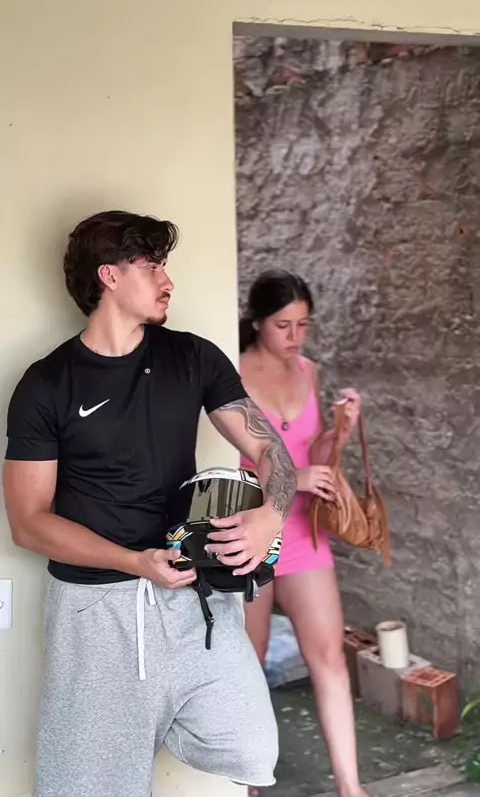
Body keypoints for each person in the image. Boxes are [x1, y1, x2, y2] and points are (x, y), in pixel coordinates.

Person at [2, 211, 297, 797]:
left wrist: (272, 515)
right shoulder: (46, 384)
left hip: (191, 595)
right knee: (88, 788)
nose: (167, 280)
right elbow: (28, 524)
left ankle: (141, 722)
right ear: (109, 275)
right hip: (96, 611)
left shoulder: (193, 357)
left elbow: (272, 452)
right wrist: (136, 562)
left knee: (251, 744)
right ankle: (123, 731)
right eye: (151, 266)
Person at [239, 270, 367, 797]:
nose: (295, 337)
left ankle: (350, 787)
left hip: (304, 530)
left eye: (303, 325)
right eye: (283, 326)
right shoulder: (232, 374)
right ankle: (245, 786)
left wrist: (340, 432)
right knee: (249, 663)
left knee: (329, 656)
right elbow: (232, 467)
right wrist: (294, 478)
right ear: (256, 323)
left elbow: (313, 450)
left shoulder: (309, 371)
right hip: (252, 531)